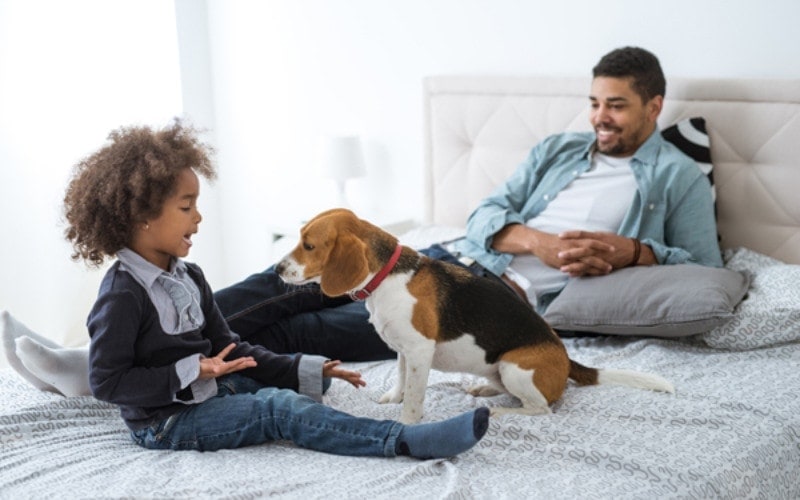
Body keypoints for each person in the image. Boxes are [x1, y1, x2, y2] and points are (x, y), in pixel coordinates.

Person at [3, 46, 721, 397]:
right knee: (279, 283)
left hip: (504, 306)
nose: (599, 117)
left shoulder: (676, 175)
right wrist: (531, 237)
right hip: (448, 265)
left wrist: (631, 252)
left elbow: (704, 265)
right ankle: (131, 360)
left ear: (654, 108)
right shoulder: (558, 150)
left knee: (294, 326)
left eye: (617, 106)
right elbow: (484, 214)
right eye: (595, 102)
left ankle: (128, 370)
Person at [10, 120, 489, 458]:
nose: (199, 217)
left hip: (207, 389)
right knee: (279, 410)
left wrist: (307, 369)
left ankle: (310, 384)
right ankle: (401, 441)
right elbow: (111, 383)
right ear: (141, 215)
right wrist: (190, 368)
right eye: (186, 206)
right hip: (164, 421)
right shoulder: (121, 296)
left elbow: (231, 347)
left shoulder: (188, 275)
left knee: (287, 386)